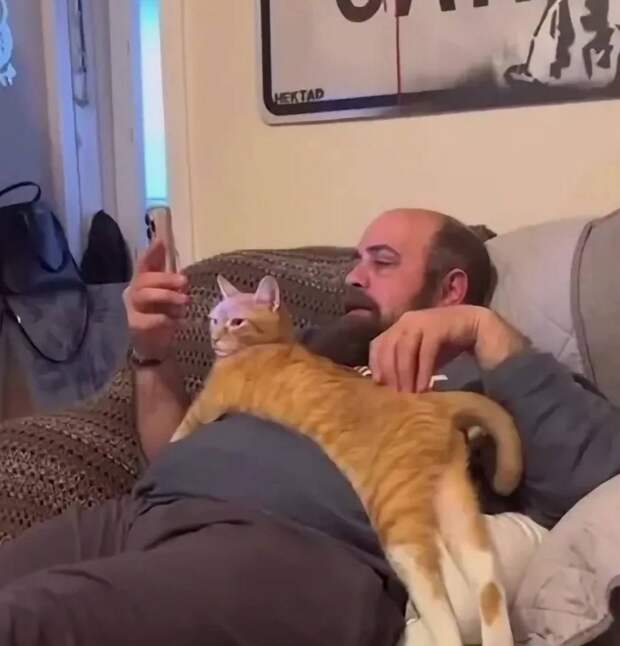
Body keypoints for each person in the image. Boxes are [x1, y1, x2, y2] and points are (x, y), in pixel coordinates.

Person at [0, 208, 617, 645]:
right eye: (356, 260)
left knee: (27, 622)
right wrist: (151, 353)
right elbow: (168, 451)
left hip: (287, 547)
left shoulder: (486, 380)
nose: (352, 276)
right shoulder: (304, 352)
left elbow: (598, 476)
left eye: (381, 262)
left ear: (452, 288)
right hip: (139, 512)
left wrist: (483, 330)